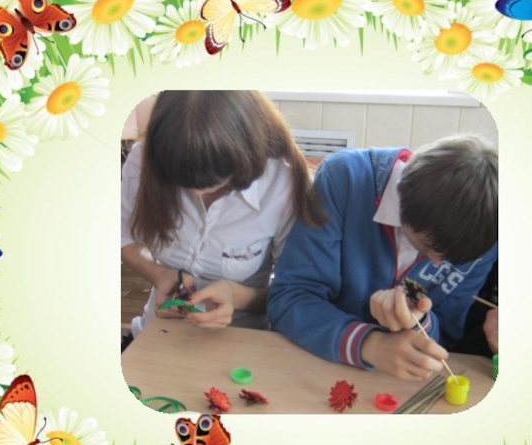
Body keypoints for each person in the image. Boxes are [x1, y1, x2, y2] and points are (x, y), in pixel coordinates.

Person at [267, 135, 498, 380]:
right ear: (400, 195)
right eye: (427, 246)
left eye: (453, 260)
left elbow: (448, 336)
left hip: (396, 383)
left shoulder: (488, 234)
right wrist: (369, 344)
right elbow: (289, 299)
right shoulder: (345, 178)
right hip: (315, 365)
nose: (437, 264)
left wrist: (419, 322)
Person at [121, 90, 324, 338]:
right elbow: (122, 236)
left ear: (245, 157)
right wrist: (158, 274)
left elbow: (296, 293)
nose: (196, 193)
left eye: (213, 182)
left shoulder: (283, 184)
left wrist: (237, 297)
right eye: (180, 181)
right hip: (159, 332)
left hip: (244, 340)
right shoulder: (144, 160)